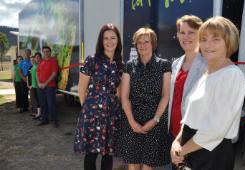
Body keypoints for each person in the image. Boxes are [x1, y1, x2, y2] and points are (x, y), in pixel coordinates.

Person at [170, 16, 245, 170]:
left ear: (229, 42)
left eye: (216, 39)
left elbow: (215, 130)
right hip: (190, 148)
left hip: (211, 155)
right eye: (203, 39)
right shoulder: (207, 73)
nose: (207, 44)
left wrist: (181, 152)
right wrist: (176, 142)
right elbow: (190, 115)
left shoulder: (231, 75)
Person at [116, 27, 171, 170]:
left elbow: (165, 96)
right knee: (133, 164)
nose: (142, 45)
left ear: (153, 44)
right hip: (131, 120)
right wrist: (131, 121)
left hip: (154, 121)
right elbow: (124, 96)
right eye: (139, 42)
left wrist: (155, 120)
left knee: (148, 165)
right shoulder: (129, 65)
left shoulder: (164, 65)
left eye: (146, 41)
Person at [74, 23, 123, 170]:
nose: (109, 42)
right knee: (91, 154)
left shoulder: (121, 64)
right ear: (101, 41)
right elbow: (82, 88)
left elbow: (120, 92)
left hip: (111, 114)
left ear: (118, 40)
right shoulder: (92, 60)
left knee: (108, 154)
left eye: (113, 38)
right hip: (92, 114)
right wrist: (87, 110)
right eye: (105, 38)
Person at [168, 15, 206, 156]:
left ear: (200, 34)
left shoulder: (207, 64)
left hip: (194, 135)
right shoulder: (176, 63)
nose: (186, 36)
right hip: (174, 131)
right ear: (177, 35)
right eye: (182, 32)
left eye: (191, 32)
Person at [36, 46, 59, 127]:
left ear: (50, 52)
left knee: (51, 104)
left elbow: (54, 74)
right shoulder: (41, 62)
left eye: (47, 51)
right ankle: (45, 120)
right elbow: (37, 73)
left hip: (50, 87)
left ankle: (55, 121)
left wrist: (45, 83)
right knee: (43, 104)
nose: (46, 53)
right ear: (43, 52)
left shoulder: (53, 61)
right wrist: (39, 83)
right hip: (41, 87)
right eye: (44, 51)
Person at [27, 52, 42, 118]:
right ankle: (38, 113)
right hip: (33, 86)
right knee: (37, 100)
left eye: (34, 59)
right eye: (31, 60)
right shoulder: (32, 67)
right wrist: (30, 85)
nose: (33, 60)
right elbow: (30, 77)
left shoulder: (37, 66)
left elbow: (38, 77)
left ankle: (40, 113)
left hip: (37, 86)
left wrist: (38, 84)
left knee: (39, 100)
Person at [18, 49, 32, 113]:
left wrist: (29, 79)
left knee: (33, 94)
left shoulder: (32, 61)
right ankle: (25, 107)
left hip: (32, 80)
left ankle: (34, 107)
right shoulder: (22, 62)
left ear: (30, 54)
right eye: (25, 53)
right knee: (24, 94)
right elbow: (19, 71)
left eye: (28, 53)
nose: (26, 54)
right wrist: (24, 79)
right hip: (24, 79)